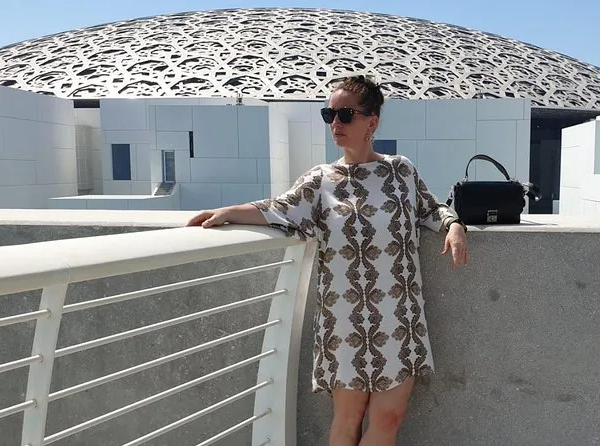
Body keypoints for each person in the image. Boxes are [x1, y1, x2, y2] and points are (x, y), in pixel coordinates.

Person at [186, 75, 469, 446]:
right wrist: (228, 212)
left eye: (345, 114)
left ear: (372, 121)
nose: (335, 123)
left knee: (389, 418)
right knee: (348, 419)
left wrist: (454, 225)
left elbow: (430, 207)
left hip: (399, 316)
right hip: (345, 320)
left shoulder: (401, 170)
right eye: (329, 114)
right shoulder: (321, 180)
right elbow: (279, 209)